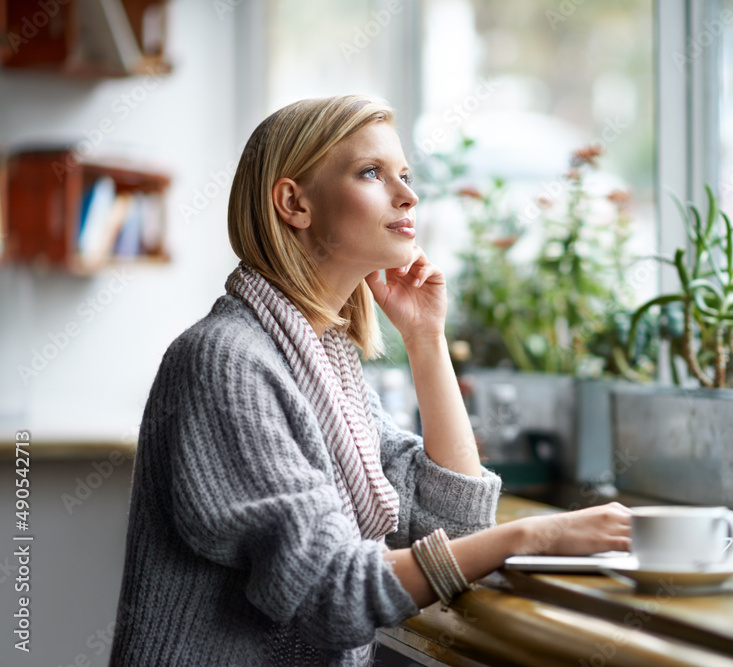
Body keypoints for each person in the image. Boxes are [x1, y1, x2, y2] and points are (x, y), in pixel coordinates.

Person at [108, 94, 631, 667]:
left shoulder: (323, 360)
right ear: (293, 203)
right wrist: (531, 536)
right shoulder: (226, 361)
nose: (408, 195)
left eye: (405, 175)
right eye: (372, 173)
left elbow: (452, 520)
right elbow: (330, 591)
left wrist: (425, 340)